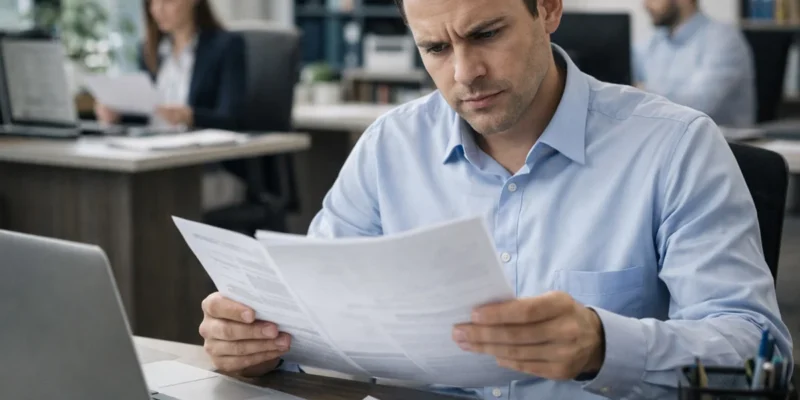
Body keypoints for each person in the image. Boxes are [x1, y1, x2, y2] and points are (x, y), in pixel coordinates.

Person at [197, 0, 791, 399]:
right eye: (434, 49)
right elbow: (311, 315)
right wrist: (259, 342)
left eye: (486, 34)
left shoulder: (676, 147)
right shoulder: (389, 148)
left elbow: (761, 365)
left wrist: (604, 345)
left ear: (549, 8)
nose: (464, 73)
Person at [94, 0, 246, 130]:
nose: (157, 9)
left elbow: (232, 119)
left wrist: (189, 117)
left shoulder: (226, 47)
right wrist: (117, 115)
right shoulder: (149, 50)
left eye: (168, 1)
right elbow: (148, 115)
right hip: (152, 149)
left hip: (199, 154)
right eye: (152, 2)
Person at [634, 0, 755, 127]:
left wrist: (642, 94)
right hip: (667, 139)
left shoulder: (723, 39)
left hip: (719, 143)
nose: (645, 5)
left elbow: (698, 104)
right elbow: (625, 78)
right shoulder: (655, 42)